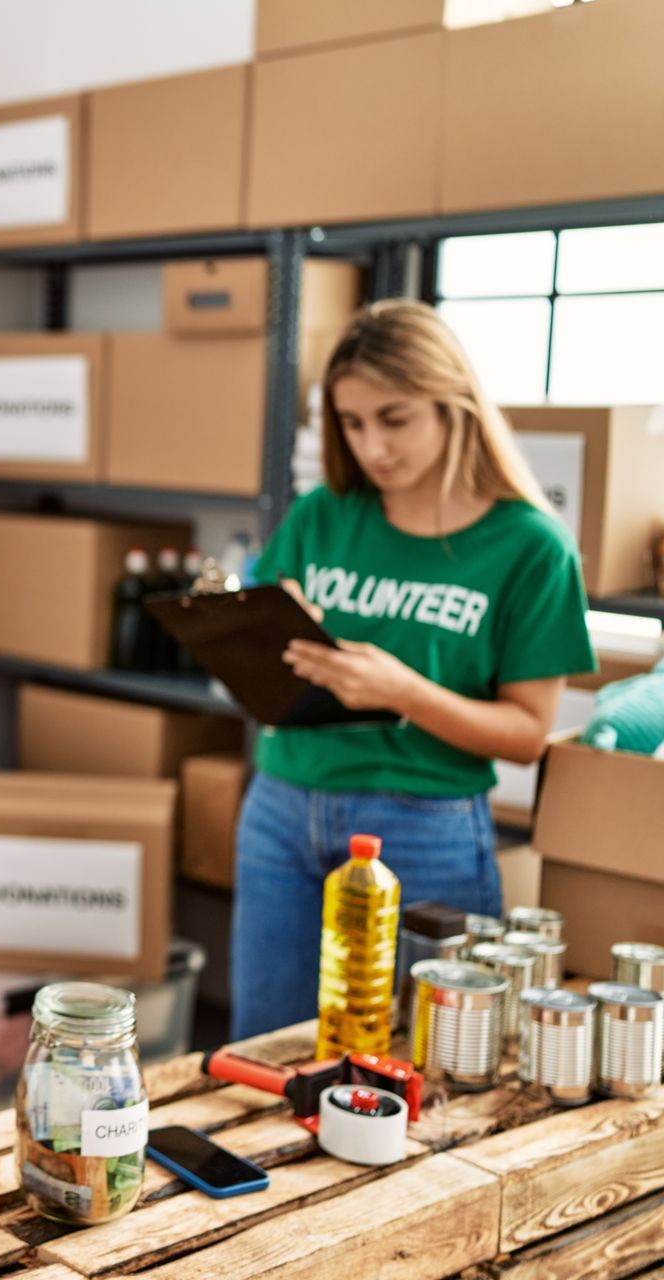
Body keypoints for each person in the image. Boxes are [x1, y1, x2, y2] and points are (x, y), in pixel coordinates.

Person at [229, 299, 594, 1038]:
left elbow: (527, 733)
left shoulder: (531, 548)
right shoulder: (323, 515)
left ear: (452, 403)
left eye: (394, 420)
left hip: (423, 824)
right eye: (352, 424)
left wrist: (404, 691)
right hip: (282, 806)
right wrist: (259, 627)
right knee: (267, 1048)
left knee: (419, 1055)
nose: (373, 447)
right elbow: (257, 667)